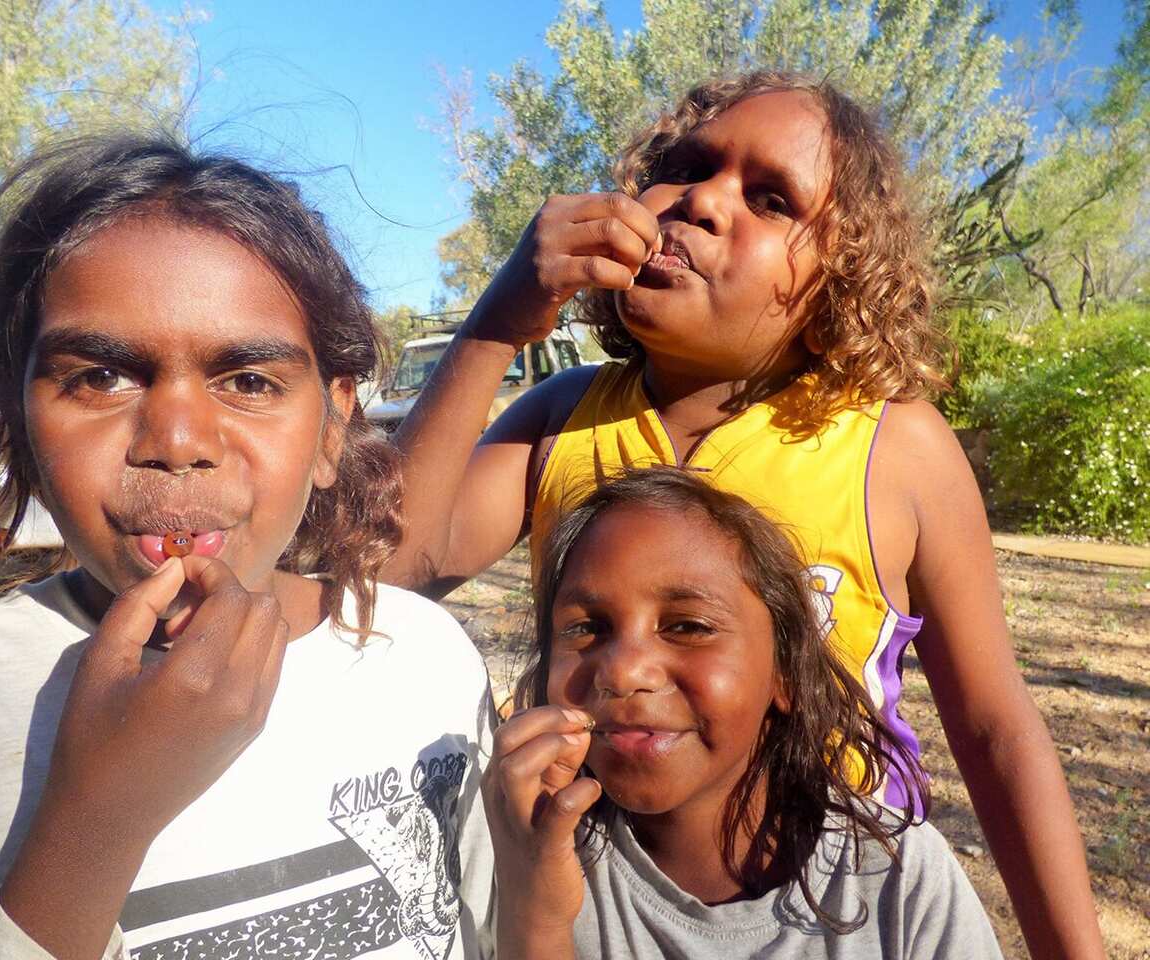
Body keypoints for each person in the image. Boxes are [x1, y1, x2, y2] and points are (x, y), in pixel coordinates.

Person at [387, 72, 1104, 958]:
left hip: (823, 920)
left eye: (771, 198)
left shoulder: (896, 448)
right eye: (686, 167)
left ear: (840, 279)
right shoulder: (561, 418)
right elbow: (391, 570)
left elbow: (995, 729)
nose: (701, 202)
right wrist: (499, 323)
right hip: (586, 907)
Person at [0, 135, 494, 960]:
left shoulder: (423, 654)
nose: (177, 441)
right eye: (99, 377)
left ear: (333, 426)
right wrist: (99, 820)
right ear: (15, 418)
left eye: (249, 382)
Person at [484, 467, 1002, 959]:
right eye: (586, 627)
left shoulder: (899, 877)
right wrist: (538, 917)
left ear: (786, 673)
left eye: (687, 626)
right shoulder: (532, 857)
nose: (622, 673)